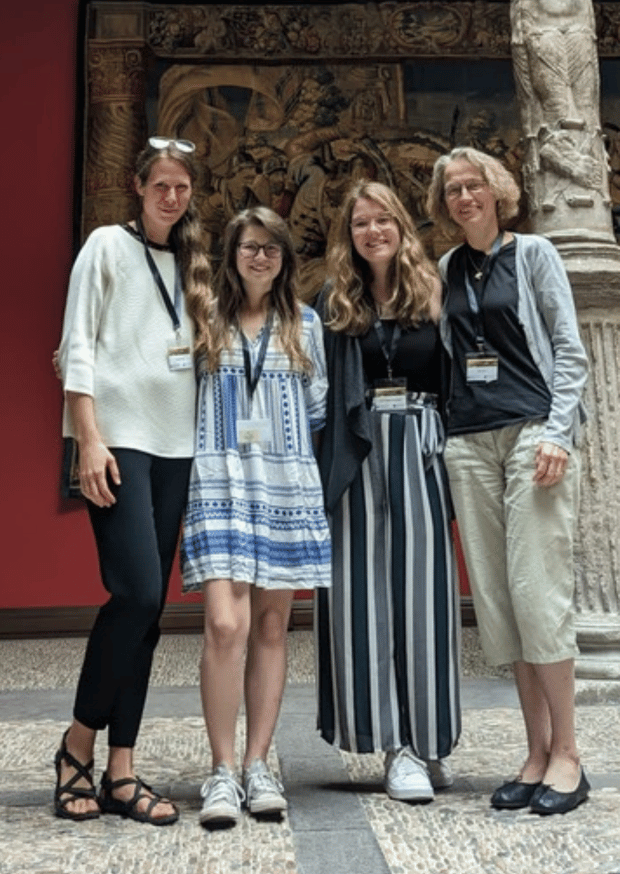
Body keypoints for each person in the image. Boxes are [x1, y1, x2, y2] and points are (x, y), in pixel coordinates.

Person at [426, 146, 589, 815]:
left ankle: (569, 755)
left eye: (474, 185)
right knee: (496, 601)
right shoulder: (445, 269)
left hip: (530, 436)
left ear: (497, 191)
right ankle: (535, 749)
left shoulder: (534, 256)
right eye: (453, 190)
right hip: (469, 442)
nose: (465, 197)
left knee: (536, 592)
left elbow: (570, 348)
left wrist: (558, 432)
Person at [55, 137, 211, 825]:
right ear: (138, 187)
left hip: (178, 445)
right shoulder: (105, 247)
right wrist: (87, 438)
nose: (171, 197)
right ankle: (75, 747)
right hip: (118, 442)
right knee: (137, 590)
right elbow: (77, 343)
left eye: (181, 187)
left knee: (148, 614)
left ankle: (120, 768)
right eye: (161, 187)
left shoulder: (193, 263)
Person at [180, 206, 331, 827]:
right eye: (249, 246)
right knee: (224, 625)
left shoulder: (306, 324)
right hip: (220, 480)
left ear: (285, 258)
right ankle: (220, 769)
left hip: (284, 484)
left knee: (272, 625)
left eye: (271, 248)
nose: (260, 257)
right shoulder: (205, 320)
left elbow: (318, 409)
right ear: (232, 253)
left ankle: (258, 763)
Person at [315, 180, 461, 803]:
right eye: (360, 225)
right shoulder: (335, 301)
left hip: (423, 445)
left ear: (401, 224)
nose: (372, 232)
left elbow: (459, 377)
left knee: (426, 596)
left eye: (382, 221)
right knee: (361, 600)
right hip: (359, 449)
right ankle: (393, 746)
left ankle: (429, 740)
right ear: (348, 237)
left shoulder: (435, 291)